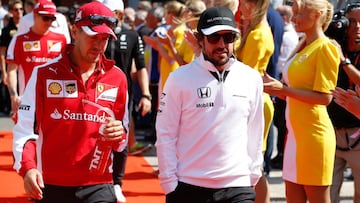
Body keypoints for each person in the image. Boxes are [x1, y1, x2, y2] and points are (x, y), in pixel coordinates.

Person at [12, 1, 129, 202]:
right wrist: (28, 168)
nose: (99, 45)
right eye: (93, 37)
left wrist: (119, 134)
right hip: (50, 184)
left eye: (105, 38)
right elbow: (26, 130)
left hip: (98, 184)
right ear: (74, 32)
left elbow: (122, 138)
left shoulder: (117, 77)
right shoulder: (44, 74)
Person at [155, 6, 264, 203]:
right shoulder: (179, 79)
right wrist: (170, 184)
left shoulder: (251, 78)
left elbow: (255, 132)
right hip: (189, 186)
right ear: (200, 39)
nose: (222, 44)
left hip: (238, 187)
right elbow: (165, 133)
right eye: (214, 38)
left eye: (229, 37)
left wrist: (252, 175)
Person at [263, 0, 340, 202]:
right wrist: (277, 87)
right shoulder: (303, 44)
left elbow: (325, 97)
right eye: (294, 13)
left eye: (299, 13)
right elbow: (294, 90)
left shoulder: (325, 47)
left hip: (314, 136)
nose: (294, 18)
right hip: (296, 135)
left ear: (317, 14)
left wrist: (284, 89)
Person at [103, 0, 152, 202]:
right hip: (97, 93)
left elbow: (140, 66)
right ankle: (98, 179)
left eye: (111, 14)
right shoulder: (98, 33)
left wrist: (146, 94)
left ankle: (116, 183)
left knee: (121, 139)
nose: (106, 17)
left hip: (123, 96)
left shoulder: (132, 35)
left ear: (120, 15)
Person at [236, 0, 274, 202]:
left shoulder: (258, 34)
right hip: (255, 99)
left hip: (254, 101)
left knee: (254, 163)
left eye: (243, 3)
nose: (240, 7)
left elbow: (246, 73)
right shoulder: (256, 30)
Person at [6, 0, 67, 119]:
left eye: (52, 19)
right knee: (26, 136)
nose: (49, 22)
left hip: (54, 98)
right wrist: (13, 95)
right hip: (27, 99)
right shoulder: (19, 40)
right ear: (35, 15)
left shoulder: (61, 39)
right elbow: (12, 70)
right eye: (45, 18)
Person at [328, 3, 360, 202]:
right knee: (328, 194)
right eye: (353, 21)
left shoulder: (343, 57)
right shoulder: (333, 46)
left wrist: (344, 62)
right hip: (332, 133)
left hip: (358, 135)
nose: (357, 27)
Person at [0, 0, 24, 116]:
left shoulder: (28, 27)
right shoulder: (7, 30)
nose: (19, 12)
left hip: (25, 65)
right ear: (10, 12)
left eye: (21, 9)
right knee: (13, 92)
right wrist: (4, 72)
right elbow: (2, 52)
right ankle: (13, 111)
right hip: (12, 66)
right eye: (16, 9)